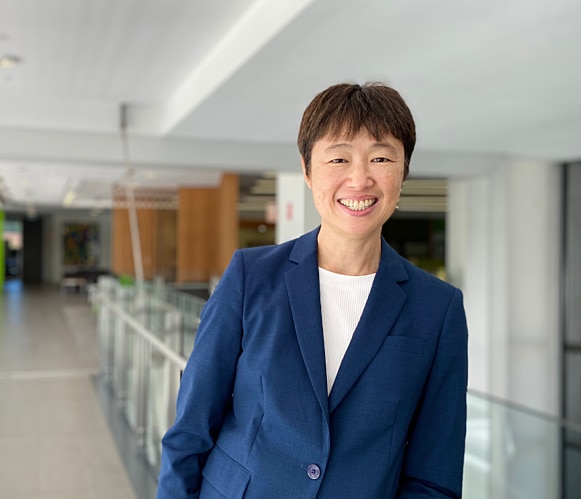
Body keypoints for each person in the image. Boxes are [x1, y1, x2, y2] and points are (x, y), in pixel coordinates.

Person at [157, 82, 468, 498]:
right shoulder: (250, 277)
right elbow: (190, 429)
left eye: (380, 157)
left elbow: (435, 475)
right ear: (307, 170)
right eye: (338, 158)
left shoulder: (438, 308)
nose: (359, 179)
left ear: (403, 172)